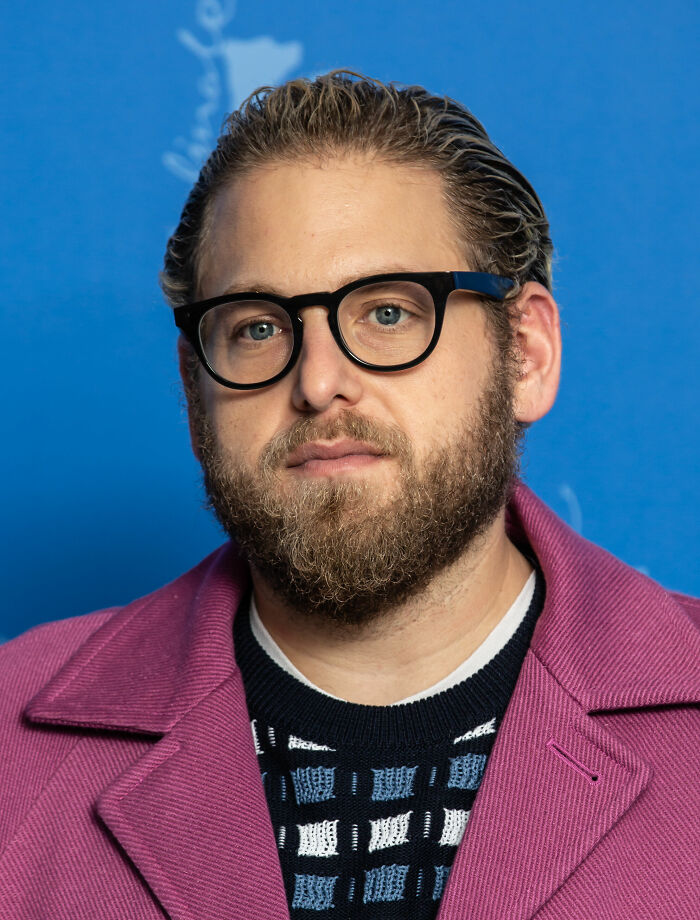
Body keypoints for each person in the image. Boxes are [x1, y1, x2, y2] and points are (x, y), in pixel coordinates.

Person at [0, 72, 697, 920]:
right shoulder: (12, 746)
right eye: (258, 326)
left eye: (390, 313)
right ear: (194, 391)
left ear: (527, 355)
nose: (321, 382)